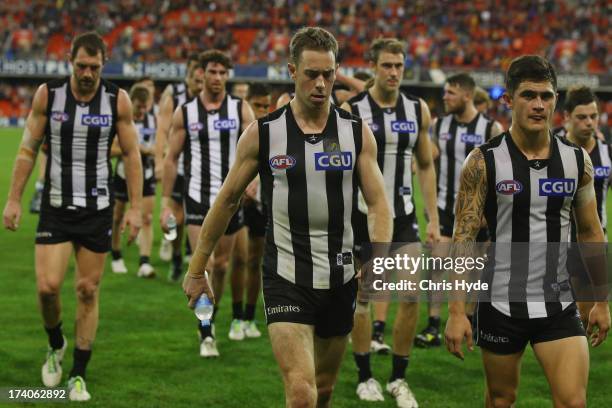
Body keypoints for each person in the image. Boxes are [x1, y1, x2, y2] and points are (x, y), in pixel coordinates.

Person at [182, 27, 391, 407]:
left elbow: (378, 204)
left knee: (324, 390)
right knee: (300, 393)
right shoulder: (263, 133)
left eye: (328, 73)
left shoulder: (356, 134)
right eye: (311, 73)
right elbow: (227, 199)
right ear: (292, 71)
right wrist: (198, 269)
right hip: (286, 276)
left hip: (340, 276)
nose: (321, 83)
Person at [445, 55, 610, 407]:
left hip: (558, 303)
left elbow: (591, 233)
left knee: (574, 402)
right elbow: (464, 237)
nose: (539, 105)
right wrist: (457, 311)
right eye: (528, 95)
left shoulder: (577, 160)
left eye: (546, 96)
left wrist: (601, 300)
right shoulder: (483, 161)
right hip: (501, 304)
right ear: (509, 99)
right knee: (501, 400)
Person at [2, 32, 143, 401]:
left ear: (104, 63)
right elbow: (28, 149)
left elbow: (131, 155)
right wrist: (14, 199)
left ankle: (78, 373)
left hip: (97, 209)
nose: (87, 73)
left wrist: (136, 208)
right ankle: (56, 343)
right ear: (70, 60)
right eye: (81, 65)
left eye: (94, 67)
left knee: (87, 289)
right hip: (56, 206)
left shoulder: (117, 100)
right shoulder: (49, 95)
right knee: (47, 288)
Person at [341, 38, 439, 407]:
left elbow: (426, 165)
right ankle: (365, 375)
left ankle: (398, 378)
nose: (394, 72)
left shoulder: (418, 109)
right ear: (374, 66)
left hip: (404, 216)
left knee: (411, 295)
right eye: (387, 65)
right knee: (366, 297)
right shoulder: (352, 109)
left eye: (399, 65)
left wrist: (431, 217)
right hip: (362, 218)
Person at [160, 49, 255, 357]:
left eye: (222, 73)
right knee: (206, 265)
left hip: (230, 201)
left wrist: (253, 182)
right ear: (201, 74)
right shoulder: (185, 112)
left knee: (223, 265)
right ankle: (205, 332)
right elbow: (171, 159)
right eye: (212, 72)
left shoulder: (241, 109)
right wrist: (165, 202)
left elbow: (258, 152)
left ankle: (210, 319)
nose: (217, 78)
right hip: (197, 199)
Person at [415, 73, 503, 348]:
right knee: (439, 265)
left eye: (450, 93)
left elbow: (499, 173)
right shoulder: (439, 125)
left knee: (474, 269)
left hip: (478, 213)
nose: (445, 97)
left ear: (467, 95)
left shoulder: (490, 128)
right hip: (444, 208)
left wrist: (491, 211)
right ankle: (433, 325)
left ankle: (469, 320)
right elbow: (429, 162)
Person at [227, 83, 273, 340]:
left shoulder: (272, 131)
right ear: (247, 104)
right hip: (238, 202)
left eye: (267, 105)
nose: (263, 110)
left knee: (256, 261)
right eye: (258, 105)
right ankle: (235, 317)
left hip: (261, 203)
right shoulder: (238, 131)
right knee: (241, 258)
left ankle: (249, 316)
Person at [154, 54, 204, 280]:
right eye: (197, 80)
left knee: (199, 220)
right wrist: (159, 161)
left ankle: (193, 262)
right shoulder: (174, 97)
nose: (200, 85)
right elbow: (162, 130)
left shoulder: (214, 102)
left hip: (202, 170)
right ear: (189, 78)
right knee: (176, 220)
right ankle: (175, 255)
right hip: (179, 167)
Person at [564, 85, 610, 326]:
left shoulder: (607, 153)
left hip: (593, 241)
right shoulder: (553, 152)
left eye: (593, 116)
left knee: (582, 313)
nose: (589, 123)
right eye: (582, 117)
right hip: (557, 243)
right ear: (567, 117)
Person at [110, 85, 157, 277]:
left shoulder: (154, 120)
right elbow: (110, 150)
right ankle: (116, 255)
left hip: (147, 174)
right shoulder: (120, 119)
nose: (142, 111)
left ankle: (144, 262)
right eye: (138, 106)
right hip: (123, 174)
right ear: (131, 102)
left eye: (145, 107)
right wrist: (135, 150)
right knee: (116, 217)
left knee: (147, 218)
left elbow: (162, 146)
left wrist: (153, 151)